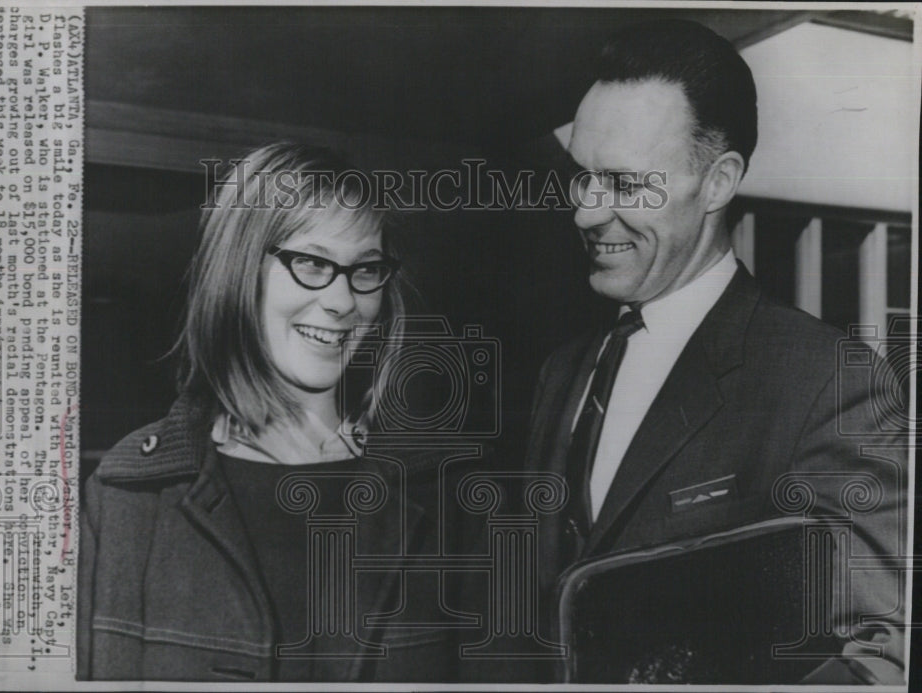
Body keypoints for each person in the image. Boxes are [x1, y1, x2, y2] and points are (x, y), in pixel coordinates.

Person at [525, 20, 906, 684]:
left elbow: (882, 655)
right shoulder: (562, 372)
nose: (586, 211)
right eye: (581, 178)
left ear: (719, 180)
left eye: (623, 183)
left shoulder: (827, 381)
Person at [77, 142, 463, 681]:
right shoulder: (126, 499)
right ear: (238, 270)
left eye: (366, 270)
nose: (343, 301)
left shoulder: (445, 496)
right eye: (310, 262)